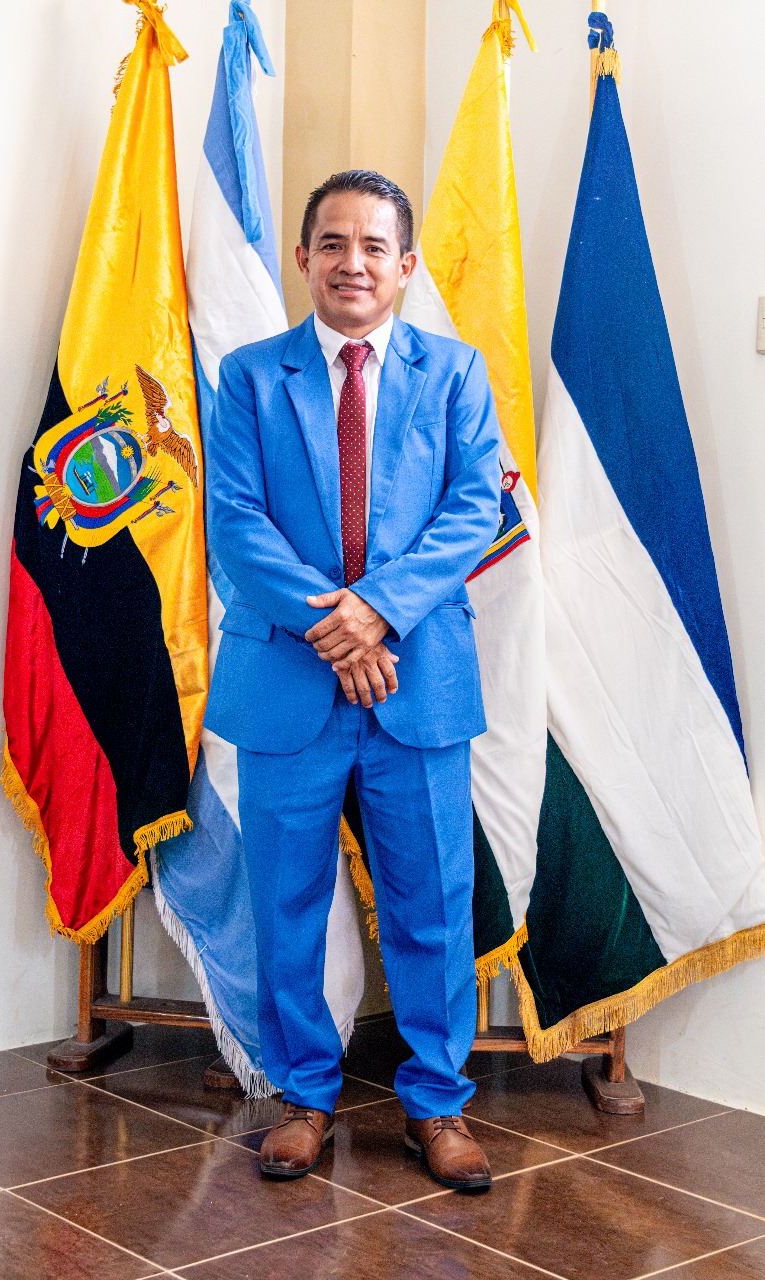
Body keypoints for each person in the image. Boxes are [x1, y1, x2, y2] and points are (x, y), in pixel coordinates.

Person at [204, 170, 501, 1191]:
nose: (353, 263)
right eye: (332, 243)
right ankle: (302, 1096)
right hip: (287, 681)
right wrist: (340, 627)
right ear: (303, 258)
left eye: (374, 245)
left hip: (416, 680)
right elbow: (236, 523)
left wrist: (377, 609)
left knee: (432, 903)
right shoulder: (248, 376)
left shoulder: (455, 372)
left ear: (405, 264)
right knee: (284, 900)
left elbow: (472, 510)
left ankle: (436, 1103)